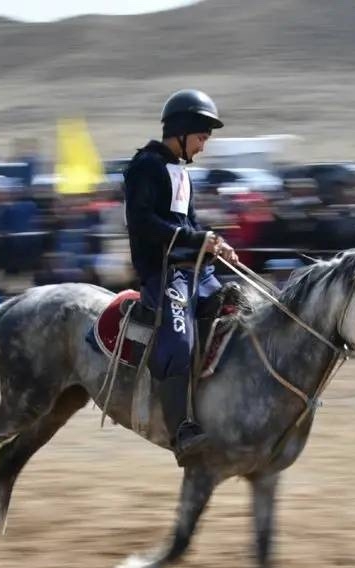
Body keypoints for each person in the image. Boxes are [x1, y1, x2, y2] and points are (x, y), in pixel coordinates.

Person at [123, 89, 239, 465]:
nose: (203, 146)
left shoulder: (180, 171)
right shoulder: (145, 167)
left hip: (195, 271)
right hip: (163, 273)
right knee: (178, 339)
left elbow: (189, 224)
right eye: (201, 137)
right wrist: (195, 239)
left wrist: (215, 243)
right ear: (183, 130)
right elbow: (142, 222)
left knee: (239, 310)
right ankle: (181, 430)